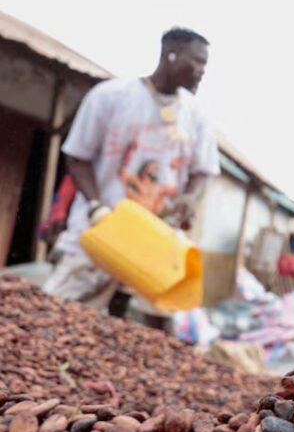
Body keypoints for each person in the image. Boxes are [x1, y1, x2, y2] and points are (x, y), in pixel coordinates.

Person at [44, 27, 219, 330]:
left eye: (205, 64)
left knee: (146, 337)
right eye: (197, 62)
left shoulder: (197, 117)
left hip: (155, 243)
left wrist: (189, 197)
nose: (202, 72)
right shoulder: (111, 97)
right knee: (58, 322)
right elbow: (77, 157)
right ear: (170, 55)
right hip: (101, 233)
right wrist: (97, 205)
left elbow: (202, 170)